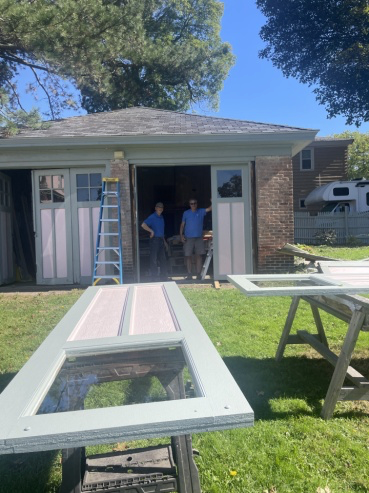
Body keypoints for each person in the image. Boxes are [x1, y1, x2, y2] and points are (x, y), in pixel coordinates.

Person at [180, 198, 212, 280]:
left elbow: (210, 208)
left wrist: (213, 201)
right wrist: (181, 235)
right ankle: (189, 274)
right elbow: (182, 225)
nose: (193, 205)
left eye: (194, 203)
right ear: (189, 205)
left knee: (199, 256)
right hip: (188, 237)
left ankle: (198, 274)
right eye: (191, 203)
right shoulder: (186, 213)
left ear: (197, 204)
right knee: (188, 256)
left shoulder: (201, 211)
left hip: (198, 237)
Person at [141, 202, 168, 282]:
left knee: (163, 259)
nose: (160, 208)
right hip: (154, 240)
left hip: (161, 240)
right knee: (154, 259)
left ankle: (163, 277)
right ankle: (154, 277)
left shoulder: (161, 217)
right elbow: (143, 225)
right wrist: (151, 231)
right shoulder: (152, 217)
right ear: (155, 208)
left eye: (162, 207)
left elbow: (161, 231)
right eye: (159, 207)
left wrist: (165, 242)